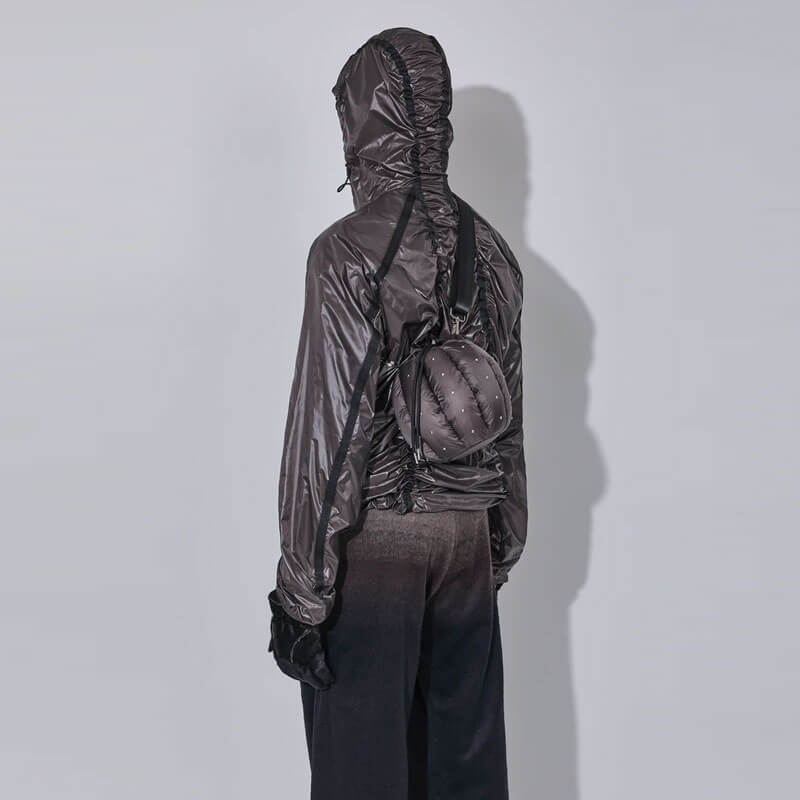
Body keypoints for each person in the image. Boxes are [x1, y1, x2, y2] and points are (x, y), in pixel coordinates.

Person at [268, 26, 527, 800]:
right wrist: (498, 546)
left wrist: (303, 594)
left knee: (363, 776)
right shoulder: (496, 254)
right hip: (467, 541)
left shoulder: (347, 252)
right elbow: (509, 421)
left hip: (374, 540)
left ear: (361, 121)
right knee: (462, 773)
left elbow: (331, 430)